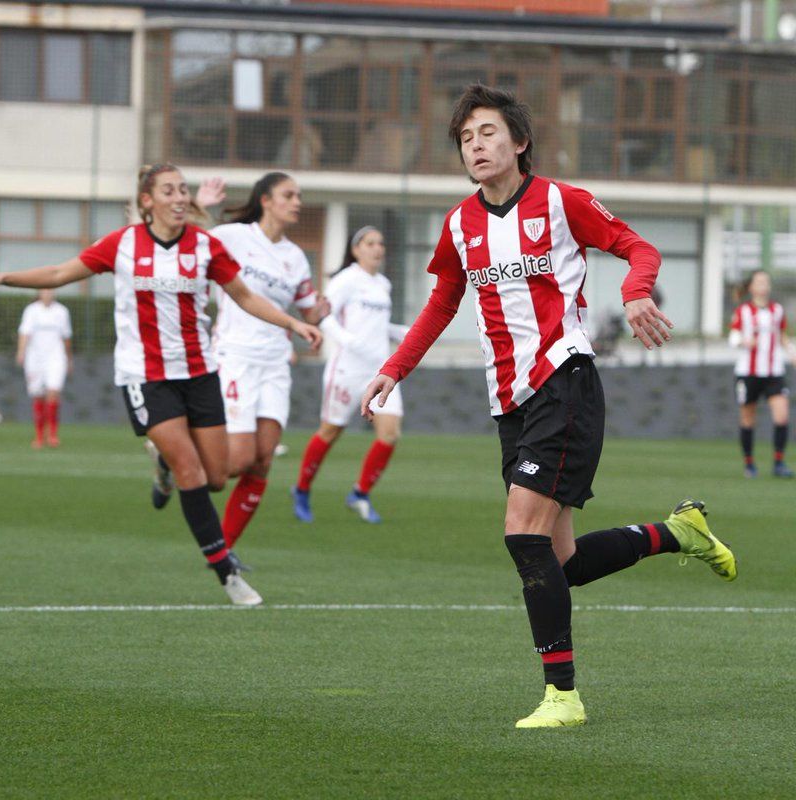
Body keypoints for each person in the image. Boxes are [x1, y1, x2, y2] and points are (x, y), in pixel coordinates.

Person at [359, 85, 737, 729]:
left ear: (520, 142)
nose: (475, 146)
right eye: (465, 138)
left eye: (486, 133)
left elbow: (637, 248)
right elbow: (442, 304)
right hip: (508, 400)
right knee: (560, 562)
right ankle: (677, 532)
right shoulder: (459, 225)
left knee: (521, 535)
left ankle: (562, 695)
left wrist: (638, 292)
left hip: (564, 381)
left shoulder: (561, 201)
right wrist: (394, 368)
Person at [0, 163, 322, 606]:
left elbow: (246, 297)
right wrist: (5, 278)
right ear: (146, 202)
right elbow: (61, 274)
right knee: (192, 471)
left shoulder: (205, 246)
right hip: (145, 376)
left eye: (183, 190)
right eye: (169, 190)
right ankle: (226, 572)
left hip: (200, 374)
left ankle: (163, 464)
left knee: (216, 477)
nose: (179, 197)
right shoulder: (123, 244)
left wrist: (294, 324)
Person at [189, 172, 329, 558]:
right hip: (235, 355)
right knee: (236, 461)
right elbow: (189, 238)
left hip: (275, 361)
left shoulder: (295, 257)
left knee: (263, 459)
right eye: (289, 194)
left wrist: (320, 312)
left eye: (299, 195)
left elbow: (307, 313)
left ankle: (223, 551)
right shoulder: (234, 236)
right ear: (265, 200)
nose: (297, 201)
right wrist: (202, 205)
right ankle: (176, 461)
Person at [293, 226, 409, 524]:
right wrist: (346, 340)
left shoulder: (382, 284)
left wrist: (404, 333)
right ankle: (302, 489)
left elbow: (377, 326)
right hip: (346, 368)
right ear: (356, 249)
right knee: (331, 431)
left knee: (390, 433)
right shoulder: (346, 280)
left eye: (380, 243)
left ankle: (360, 493)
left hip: (380, 370)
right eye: (370, 243)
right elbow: (323, 316)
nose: (377, 248)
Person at [729, 269, 794, 478]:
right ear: (751, 287)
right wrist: (743, 341)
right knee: (748, 418)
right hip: (748, 372)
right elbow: (733, 337)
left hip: (773, 371)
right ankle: (749, 464)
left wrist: (792, 352)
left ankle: (778, 462)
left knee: (782, 416)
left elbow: (782, 336)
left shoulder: (777, 310)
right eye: (759, 282)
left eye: (766, 281)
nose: (763, 285)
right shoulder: (743, 311)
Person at [17, 289, 73, 448]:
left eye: (51, 290)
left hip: (55, 358)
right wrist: (21, 352)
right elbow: (24, 333)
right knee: (38, 396)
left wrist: (69, 359)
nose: (48, 294)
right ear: (39, 293)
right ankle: (39, 435)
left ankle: (53, 434)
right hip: (35, 358)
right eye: (44, 290)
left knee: (53, 392)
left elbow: (66, 337)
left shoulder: (62, 311)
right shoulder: (31, 310)